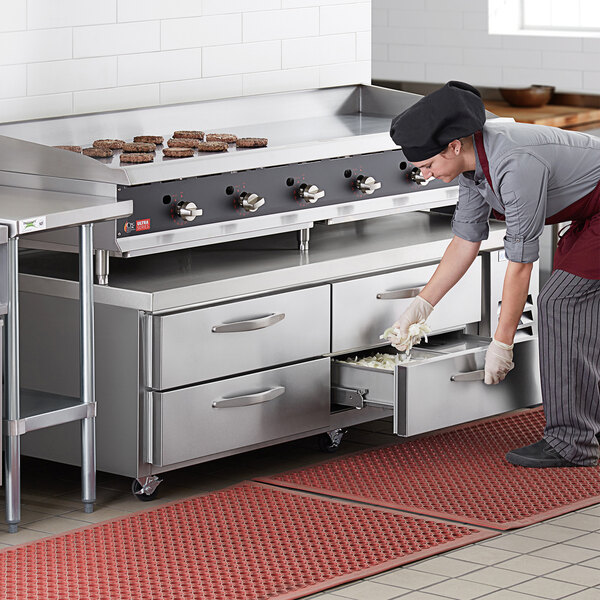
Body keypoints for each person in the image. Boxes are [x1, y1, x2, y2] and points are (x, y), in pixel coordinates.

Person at [388, 81, 600, 468]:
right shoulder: (473, 165)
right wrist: (421, 306)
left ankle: (573, 443)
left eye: (429, 165)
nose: (428, 174)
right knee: (577, 309)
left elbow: (520, 263)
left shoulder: (514, 162)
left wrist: (501, 345)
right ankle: (581, 427)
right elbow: (464, 242)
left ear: (453, 146)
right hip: (588, 213)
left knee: (559, 302)